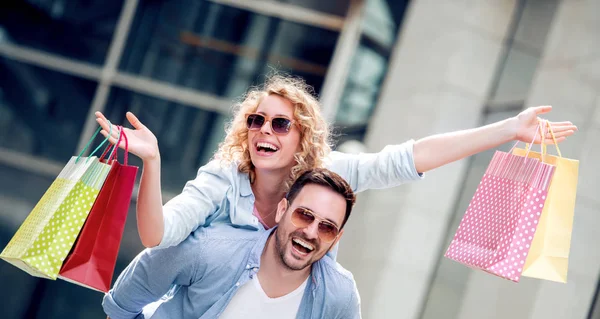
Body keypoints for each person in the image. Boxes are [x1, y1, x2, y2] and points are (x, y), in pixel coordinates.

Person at [95, 74, 576, 252]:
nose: (265, 130)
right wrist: (152, 160)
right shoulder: (223, 178)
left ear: (303, 135)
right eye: (257, 120)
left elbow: (409, 158)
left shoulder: (327, 174)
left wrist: (509, 130)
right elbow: (157, 236)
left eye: (281, 124)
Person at [76, 169, 360, 319]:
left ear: (337, 237)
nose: (310, 232)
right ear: (282, 208)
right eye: (304, 215)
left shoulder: (337, 293)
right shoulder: (216, 251)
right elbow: (149, 270)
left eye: (326, 227)